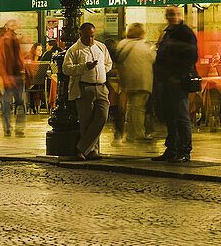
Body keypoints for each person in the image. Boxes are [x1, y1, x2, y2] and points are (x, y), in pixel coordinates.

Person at [153, 6, 198, 163]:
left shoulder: (185, 33)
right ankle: (171, 149)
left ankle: (184, 151)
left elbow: (192, 56)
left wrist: (177, 76)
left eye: (176, 14)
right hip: (165, 80)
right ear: (166, 16)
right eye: (171, 14)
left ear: (180, 16)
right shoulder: (168, 33)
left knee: (181, 115)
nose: (173, 17)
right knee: (170, 116)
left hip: (177, 81)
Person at [63, 23, 113, 160]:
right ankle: (92, 151)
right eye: (87, 37)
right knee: (86, 120)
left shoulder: (101, 47)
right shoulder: (74, 50)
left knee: (102, 116)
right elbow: (66, 69)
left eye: (92, 36)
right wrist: (84, 67)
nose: (90, 40)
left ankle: (82, 149)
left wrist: (101, 71)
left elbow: (108, 64)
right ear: (80, 35)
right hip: (84, 87)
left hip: (101, 87)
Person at [115, 23, 156, 142]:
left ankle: (129, 133)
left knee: (130, 107)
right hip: (141, 82)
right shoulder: (144, 46)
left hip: (127, 81)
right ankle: (136, 134)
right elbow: (153, 59)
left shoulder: (122, 45)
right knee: (138, 109)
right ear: (142, 33)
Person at [0, 24, 26, 137]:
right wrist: (5, 77)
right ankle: (13, 129)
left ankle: (9, 129)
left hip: (13, 77)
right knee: (16, 103)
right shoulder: (5, 42)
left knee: (9, 104)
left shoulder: (9, 42)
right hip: (11, 77)